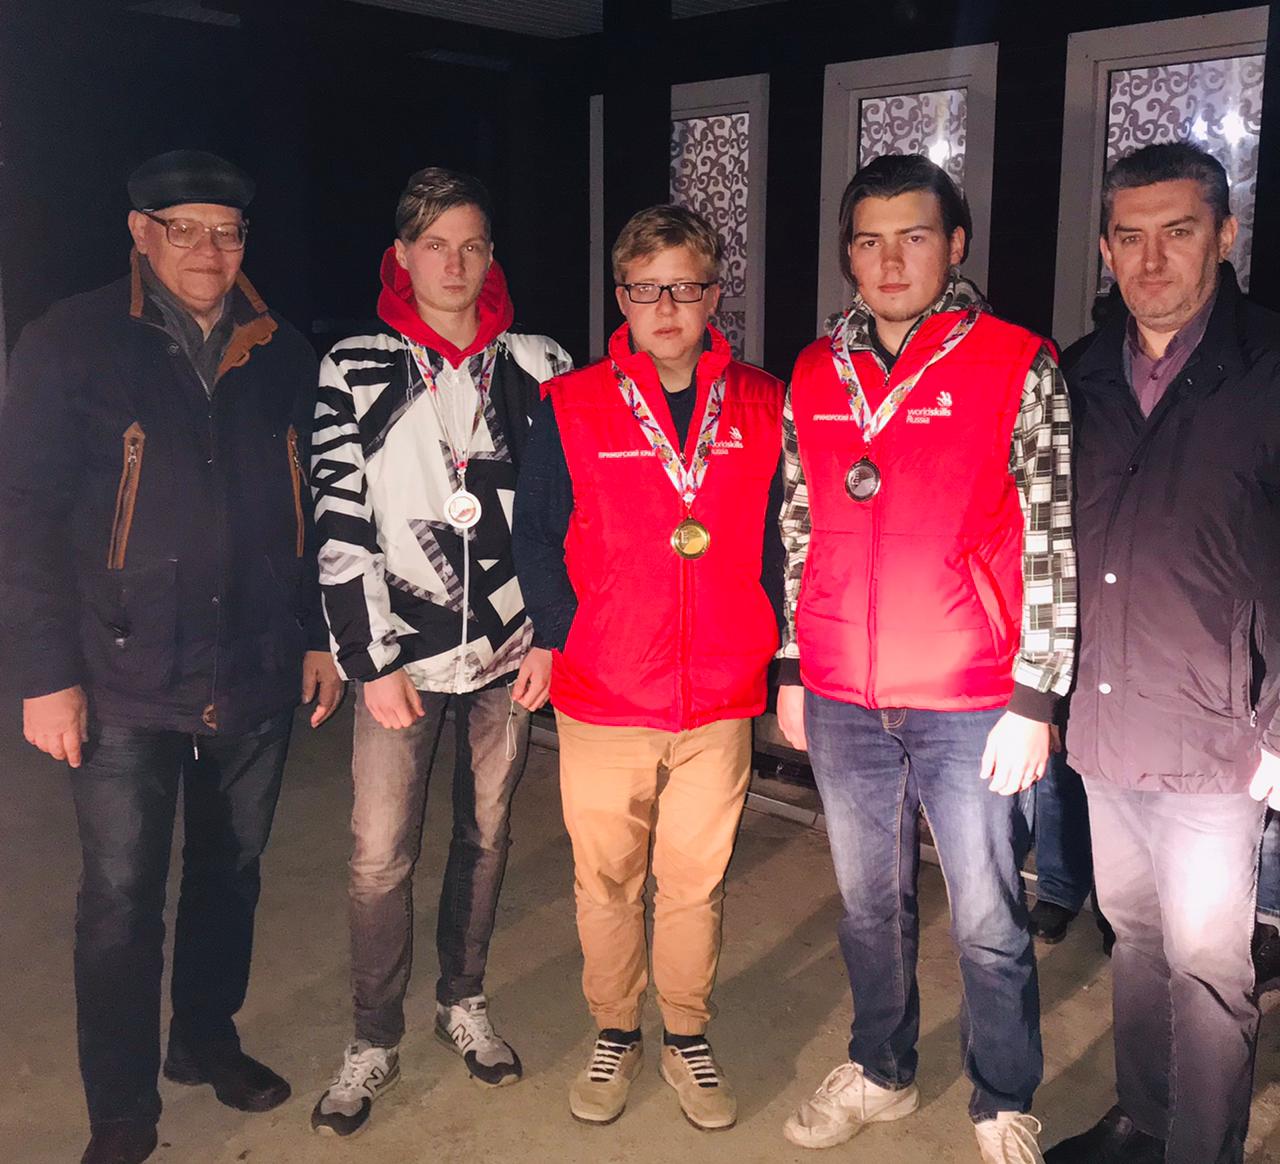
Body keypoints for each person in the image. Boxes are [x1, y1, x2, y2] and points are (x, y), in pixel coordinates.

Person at [0, 149, 342, 1164]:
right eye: (184, 228)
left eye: (226, 231)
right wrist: (45, 674)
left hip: (254, 662)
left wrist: (316, 634)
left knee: (229, 873)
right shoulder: (69, 342)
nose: (208, 250)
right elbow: (23, 516)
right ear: (140, 234)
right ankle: (121, 1107)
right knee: (119, 898)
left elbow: (321, 508)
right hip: (120, 674)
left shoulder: (284, 351)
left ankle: (203, 1038)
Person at [776, 153, 1076, 1164]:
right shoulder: (814, 371)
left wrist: (1036, 696)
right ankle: (881, 1068)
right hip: (841, 693)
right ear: (848, 256)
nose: (890, 260)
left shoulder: (1017, 362)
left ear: (954, 246)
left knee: (987, 915)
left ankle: (1002, 1097)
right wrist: (792, 665)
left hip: (971, 695)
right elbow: (797, 525)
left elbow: (1051, 534)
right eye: (868, 241)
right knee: (869, 908)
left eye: (913, 236)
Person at [308, 167, 570, 1138]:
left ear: (491, 254)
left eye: (471, 245)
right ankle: (373, 1036)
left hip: (508, 648)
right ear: (401, 256)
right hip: (399, 658)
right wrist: (367, 659)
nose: (454, 264)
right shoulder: (354, 365)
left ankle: (463, 999)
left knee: (487, 836)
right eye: (434, 246)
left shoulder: (540, 363)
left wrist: (552, 631)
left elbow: (564, 514)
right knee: (379, 857)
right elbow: (338, 518)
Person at [512, 204, 784, 1132]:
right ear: (620, 297)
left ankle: (687, 1034)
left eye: (684, 288)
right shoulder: (572, 403)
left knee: (695, 882)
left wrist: (773, 648)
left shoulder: (764, 402)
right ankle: (616, 1028)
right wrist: (568, 634)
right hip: (605, 690)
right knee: (607, 882)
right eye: (645, 290)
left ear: (714, 294)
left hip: (719, 692)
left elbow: (782, 542)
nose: (665, 308)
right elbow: (535, 536)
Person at [1046, 141, 1280, 1164]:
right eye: (1129, 237)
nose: (1150, 261)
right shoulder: (1079, 373)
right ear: (1104, 248)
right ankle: (1142, 1120)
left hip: (1220, 732)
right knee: (1135, 937)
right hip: (1106, 722)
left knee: (1206, 967)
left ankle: (1201, 1149)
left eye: (1176, 232)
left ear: (1224, 235)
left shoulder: (1266, 368)